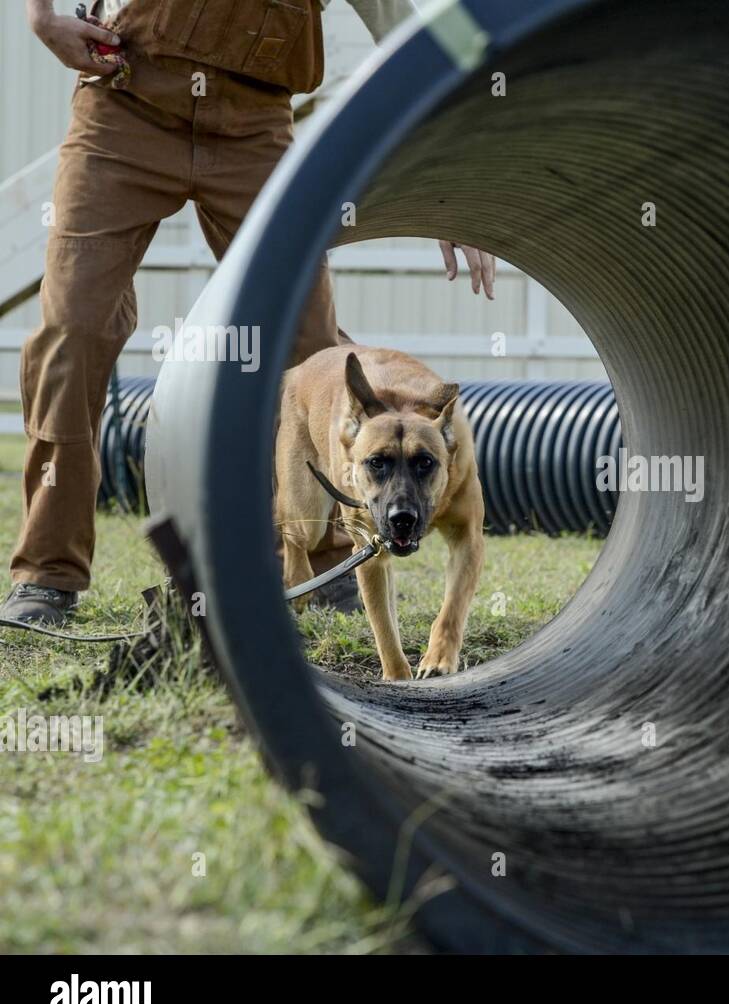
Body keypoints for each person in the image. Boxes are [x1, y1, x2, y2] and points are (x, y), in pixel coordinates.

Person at [3, 0, 496, 625]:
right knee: (70, 332)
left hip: (254, 126)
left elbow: (422, 33)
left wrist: (456, 181)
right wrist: (42, 17)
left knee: (311, 346)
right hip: (124, 105)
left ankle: (323, 561)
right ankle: (48, 573)